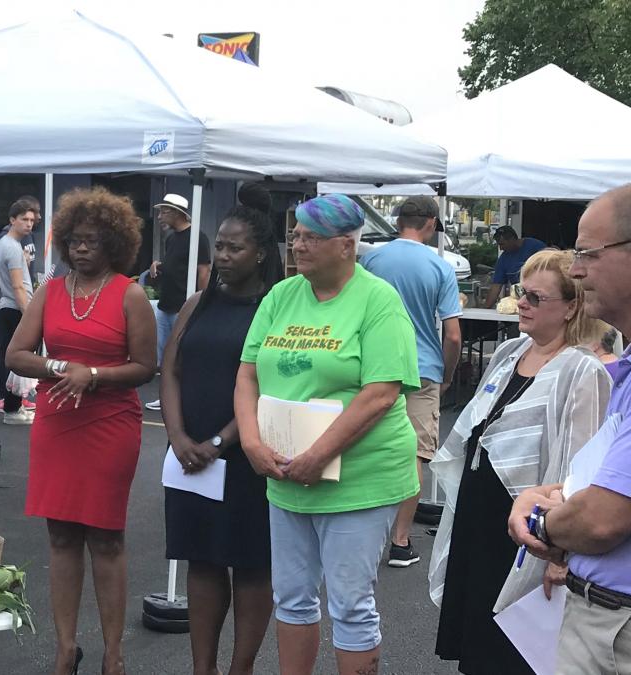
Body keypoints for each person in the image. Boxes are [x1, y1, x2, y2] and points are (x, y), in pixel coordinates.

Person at [234, 194, 421, 675]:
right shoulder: (281, 295)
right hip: (286, 472)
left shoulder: (379, 300)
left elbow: (381, 393)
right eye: (295, 234)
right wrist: (252, 441)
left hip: (358, 478)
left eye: (311, 237)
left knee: (350, 603)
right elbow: (247, 375)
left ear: (346, 245)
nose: (298, 245)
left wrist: (320, 453)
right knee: (292, 597)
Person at [430, 249, 610, 675]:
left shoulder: (582, 372)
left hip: (523, 536)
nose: (522, 303)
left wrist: (560, 554)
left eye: (535, 297)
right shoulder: (510, 352)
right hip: (480, 524)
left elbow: (578, 473)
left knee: (511, 655)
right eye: (520, 292)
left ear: (571, 308)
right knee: (475, 646)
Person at [7, 187, 155, 675]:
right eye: (73, 240)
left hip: (110, 424)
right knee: (61, 537)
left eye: (91, 240)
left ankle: (114, 654)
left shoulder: (130, 294)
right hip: (57, 423)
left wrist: (93, 375)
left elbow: (145, 366)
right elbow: (16, 355)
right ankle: (65, 648)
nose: (81, 248)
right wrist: (59, 366)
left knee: (107, 538)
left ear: (114, 243)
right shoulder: (50, 291)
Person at [509, 184, 631, 674]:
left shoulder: (588, 368)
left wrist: (542, 523)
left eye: (587, 254)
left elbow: (601, 518)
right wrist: (555, 495)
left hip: (612, 627)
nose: (577, 270)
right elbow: (603, 482)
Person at [160, 206, 283, 675]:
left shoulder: (272, 308)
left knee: (251, 563)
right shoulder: (198, 303)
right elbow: (170, 370)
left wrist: (219, 441)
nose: (225, 257)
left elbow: (267, 385)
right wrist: (177, 437)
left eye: (236, 248)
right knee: (202, 559)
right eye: (221, 247)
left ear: (260, 254)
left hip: (246, 452)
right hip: (190, 454)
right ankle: (202, 667)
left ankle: (241, 667)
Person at [360, 196, 463, 568]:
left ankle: (363, 533)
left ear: (398, 220)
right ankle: (400, 541)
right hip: (422, 368)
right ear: (431, 224)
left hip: (372, 366)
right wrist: (448, 375)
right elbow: (452, 335)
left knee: (368, 446)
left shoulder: (370, 260)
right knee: (414, 453)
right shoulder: (440, 267)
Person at [144, 193, 210, 411]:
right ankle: (166, 397)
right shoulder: (172, 238)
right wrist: (158, 264)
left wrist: (201, 302)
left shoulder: (197, 237)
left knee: (184, 355)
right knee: (165, 355)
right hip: (166, 304)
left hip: (184, 306)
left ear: (177, 213)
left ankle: (184, 399)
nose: (160, 216)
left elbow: (203, 271)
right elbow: (176, 264)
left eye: (164, 212)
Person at [0, 198, 39, 425]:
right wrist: (28, 314)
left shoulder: (10, 245)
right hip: (14, 308)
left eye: (31, 220)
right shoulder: (10, 247)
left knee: (12, 357)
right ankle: (12, 410)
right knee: (16, 359)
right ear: (12, 220)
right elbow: (17, 285)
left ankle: (15, 406)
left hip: (11, 307)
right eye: (24, 219)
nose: (29, 224)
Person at [484, 225, 547, 307]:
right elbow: (496, 286)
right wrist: (485, 309)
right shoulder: (503, 259)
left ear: (512, 239)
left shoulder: (536, 246)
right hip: (520, 297)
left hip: (542, 296)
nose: (501, 248)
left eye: (502, 244)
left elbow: (553, 268)